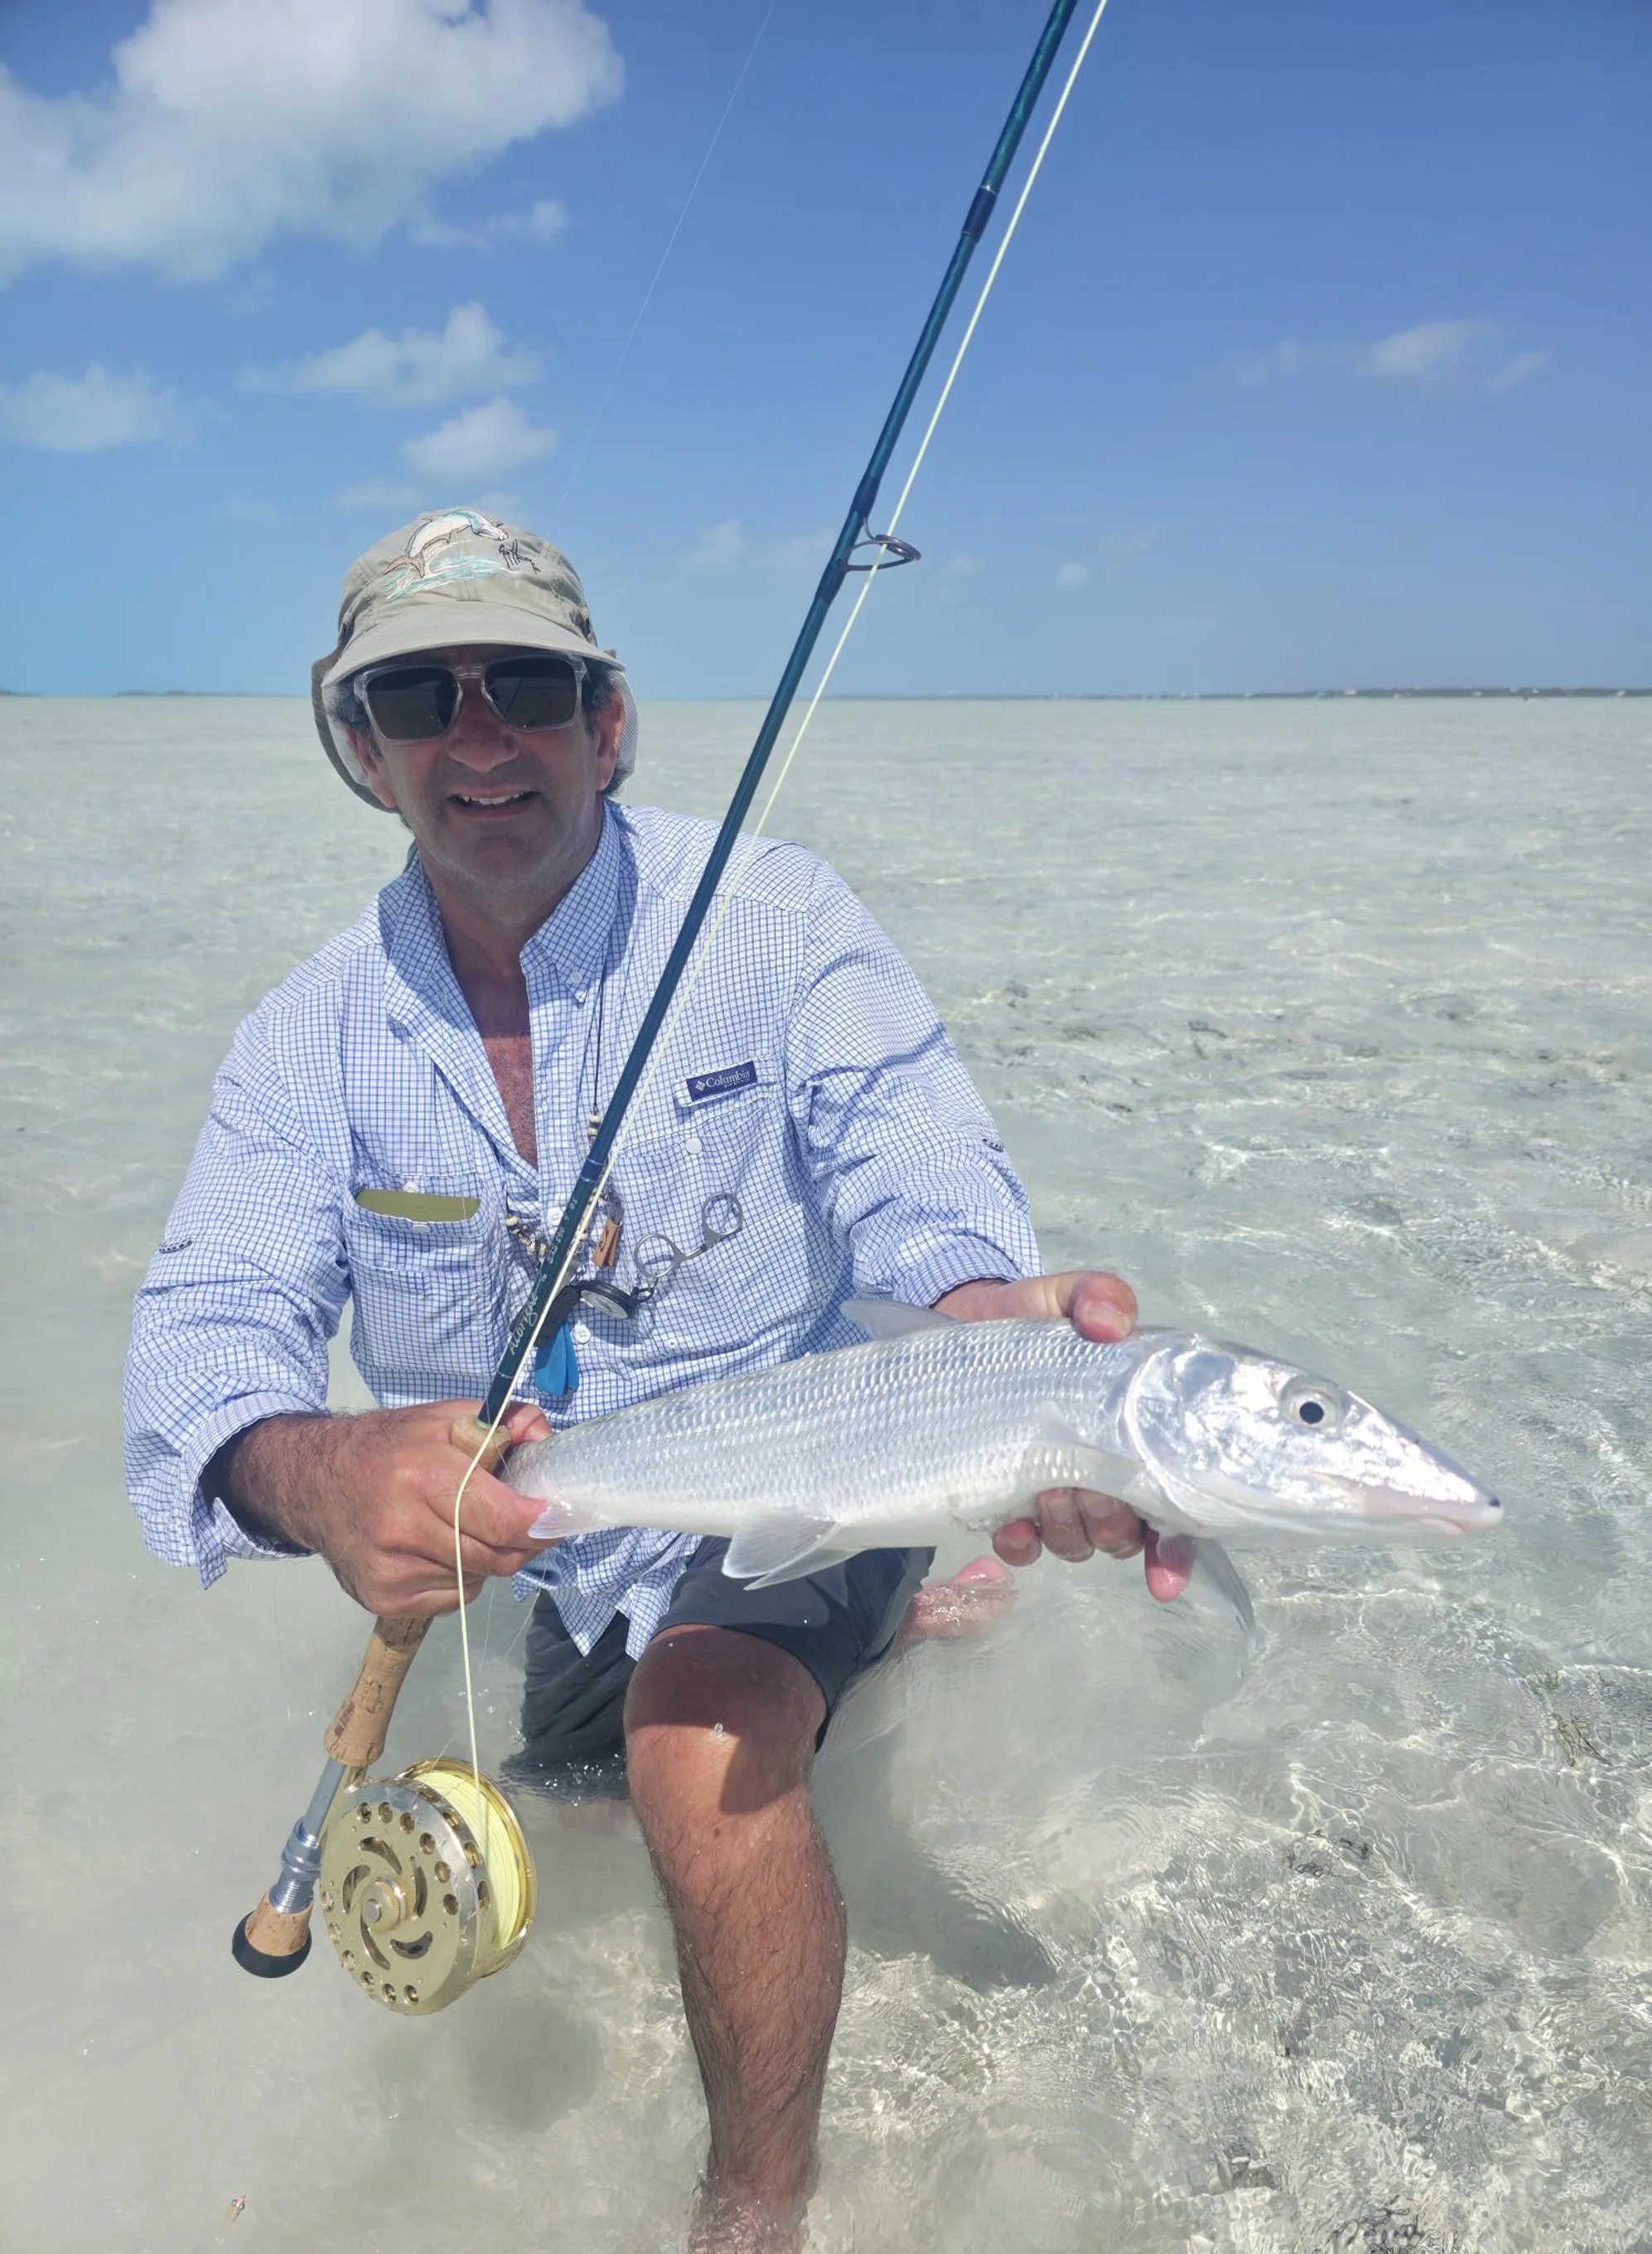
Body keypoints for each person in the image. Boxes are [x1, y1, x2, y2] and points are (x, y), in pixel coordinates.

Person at [123, 508, 1190, 2253]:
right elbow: (205, 1336)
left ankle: (756, 2205)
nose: (480, 733)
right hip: (570, 1537)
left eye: (528, 684)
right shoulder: (301, 1043)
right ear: (360, 748)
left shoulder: (776, 919)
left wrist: (997, 1323)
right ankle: (895, 1639)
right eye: (419, 695)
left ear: (607, 721)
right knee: (586, 1795)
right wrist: (322, 1473)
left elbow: (914, 1171)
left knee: (695, 1742)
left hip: (822, 1459)